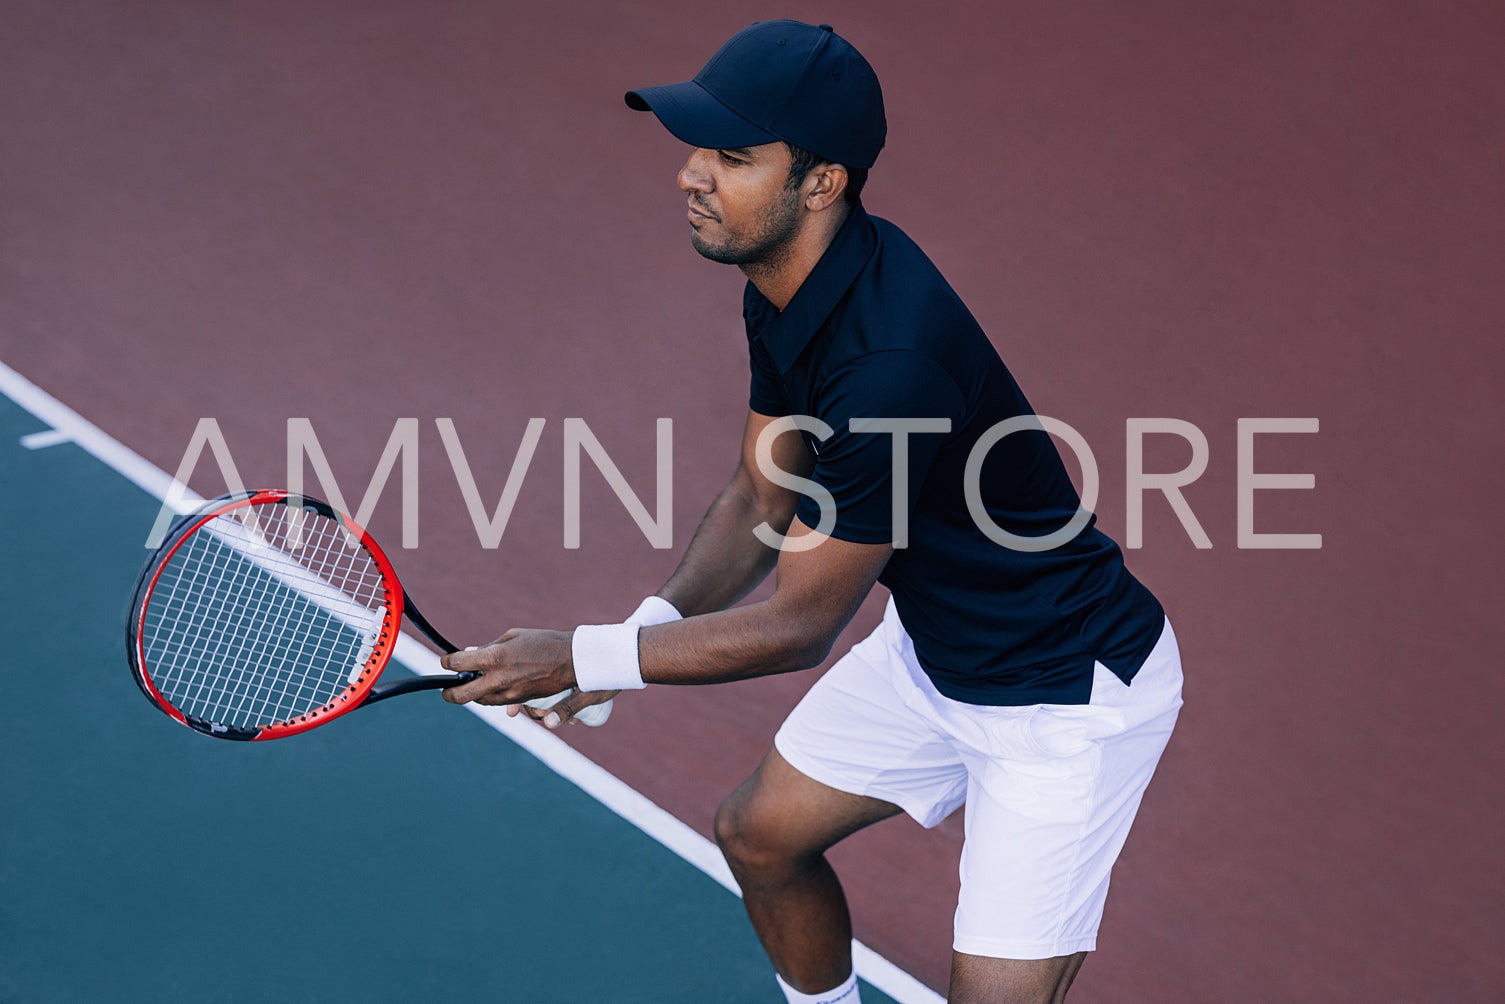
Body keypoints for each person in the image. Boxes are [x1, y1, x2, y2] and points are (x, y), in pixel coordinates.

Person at [442, 20, 1183, 1004]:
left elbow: (800, 625)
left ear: (819, 182)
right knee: (759, 834)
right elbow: (762, 489)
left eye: (733, 157)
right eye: (696, 148)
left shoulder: (888, 370)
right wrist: (639, 631)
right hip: (937, 652)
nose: (691, 175)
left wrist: (581, 655)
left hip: (1060, 699)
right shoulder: (789, 283)